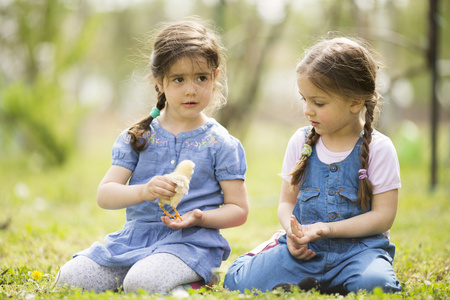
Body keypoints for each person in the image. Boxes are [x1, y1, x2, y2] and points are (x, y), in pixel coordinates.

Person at [55, 19, 249, 295]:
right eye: (179, 79)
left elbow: (239, 210)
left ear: (215, 77)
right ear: (159, 82)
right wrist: (144, 190)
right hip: (134, 240)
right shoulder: (138, 136)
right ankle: (149, 276)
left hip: (191, 243)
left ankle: (193, 280)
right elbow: (105, 195)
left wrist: (199, 217)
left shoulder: (221, 143)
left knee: (142, 283)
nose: (191, 89)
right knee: (71, 278)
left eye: (201, 78)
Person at [223, 36, 402, 294]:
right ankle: (306, 273)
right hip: (306, 253)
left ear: (355, 102)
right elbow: (286, 203)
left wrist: (328, 229)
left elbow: (384, 217)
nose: (308, 110)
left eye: (319, 103)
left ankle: (329, 281)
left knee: (376, 286)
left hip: (359, 252)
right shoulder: (301, 142)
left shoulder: (379, 148)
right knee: (236, 281)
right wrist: (292, 233)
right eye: (304, 100)